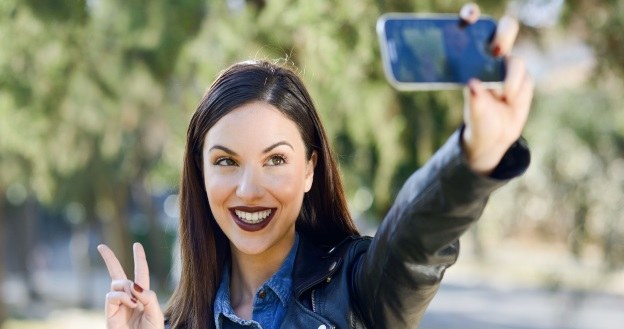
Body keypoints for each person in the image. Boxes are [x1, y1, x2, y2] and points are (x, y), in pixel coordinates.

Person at [97, 4, 533, 329]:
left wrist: (472, 156)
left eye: (276, 160)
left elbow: (417, 242)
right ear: (200, 172)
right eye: (226, 161)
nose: (249, 189)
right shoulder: (171, 322)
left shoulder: (360, 292)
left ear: (310, 170)